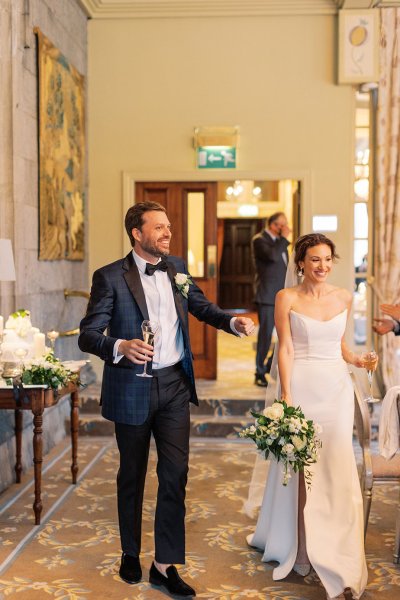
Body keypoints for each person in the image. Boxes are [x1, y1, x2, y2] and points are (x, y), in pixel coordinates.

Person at [78, 202, 254, 597]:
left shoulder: (176, 269)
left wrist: (231, 321)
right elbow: (88, 334)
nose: (167, 233)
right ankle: (129, 551)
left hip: (174, 384)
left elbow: (201, 307)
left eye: (168, 227)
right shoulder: (109, 277)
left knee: (175, 474)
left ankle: (164, 564)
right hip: (132, 385)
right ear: (137, 233)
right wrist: (120, 344)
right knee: (133, 473)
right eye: (158, 227)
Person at [247, 233, 369, 600]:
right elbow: (285, 348)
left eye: (328, 259)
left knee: (335, 463)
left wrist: (359, 360)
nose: (322, 266)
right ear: (300, 262)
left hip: (335, 391)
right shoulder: (286, 298)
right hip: (302, 388)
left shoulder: (344, 297)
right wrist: (285, 395)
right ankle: (299, 545)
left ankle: (336, 544)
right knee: (301, 467)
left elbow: (341, 345)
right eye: (314, 259)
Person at [252, 212, 291, 386]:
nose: (285, 228)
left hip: (284, 297)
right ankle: (259, 372)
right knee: (265, 337)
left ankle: (269, 365)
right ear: (273, 225)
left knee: (287, 335)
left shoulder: (279, 243)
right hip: (268, 296)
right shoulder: (260, 240)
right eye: (282, 225)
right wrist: (284, 239)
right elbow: (273, 257)